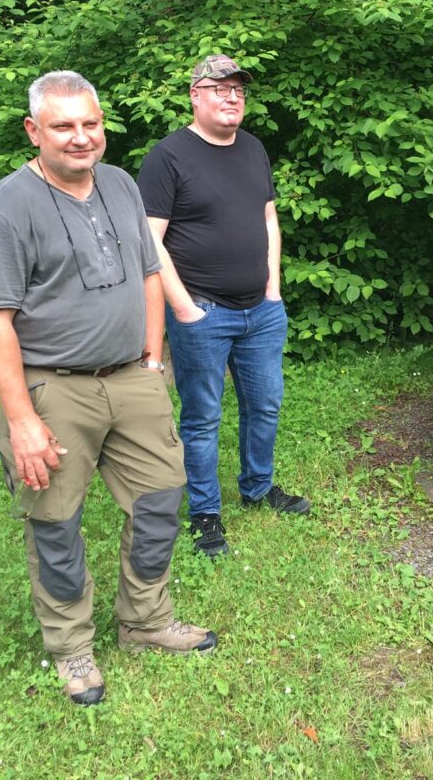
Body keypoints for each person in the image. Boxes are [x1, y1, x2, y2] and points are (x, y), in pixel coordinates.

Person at [0, 71, 217, 708]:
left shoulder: (121, 183)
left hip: (132, 379)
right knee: (56, 522)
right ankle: (72, 648)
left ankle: (145, 622)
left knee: (162, 500)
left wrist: (153, 362)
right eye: (64, 126)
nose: (81, 138)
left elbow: (147, 272)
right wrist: (22, 418)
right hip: (54, 389)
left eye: (90, 124)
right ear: (34, 131)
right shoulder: (7, 206)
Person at [137, 54, 309, 559]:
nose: (232, 96)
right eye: (220, 88)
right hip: (203, 313)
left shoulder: (253, 149)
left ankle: (257, 487)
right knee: (202, 418)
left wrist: (273, 288)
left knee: (265, 404)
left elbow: (269, 221)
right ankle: (206, 513)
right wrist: (185, 309)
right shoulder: (167, 157)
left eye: (238, 89)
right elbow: (151, 243)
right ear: (195, 94)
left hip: (261, 311)